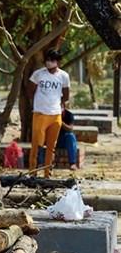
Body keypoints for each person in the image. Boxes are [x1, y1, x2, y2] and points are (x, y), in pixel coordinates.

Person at [27, 49, 70, 177]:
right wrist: (38, 103)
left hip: (55, 115)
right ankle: (33, 172)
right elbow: (30, 91)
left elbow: (66, 95)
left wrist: (58, 103)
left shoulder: (64, 76)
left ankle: (47, 173)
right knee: (36, 144)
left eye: (51, 60)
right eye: (47, 60)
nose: (48, 63)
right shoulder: (38, 74)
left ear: (57, 62)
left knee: (51, 146)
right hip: (40, 113)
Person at [38, 103, 79, 171]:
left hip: (62, 140)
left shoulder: (69, 115)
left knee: (71, 136)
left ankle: (72, 163)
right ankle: (41, 163)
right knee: (40, 137)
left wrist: (60, 122)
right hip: (51, 139)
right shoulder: (50, 114)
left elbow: (70, 129)